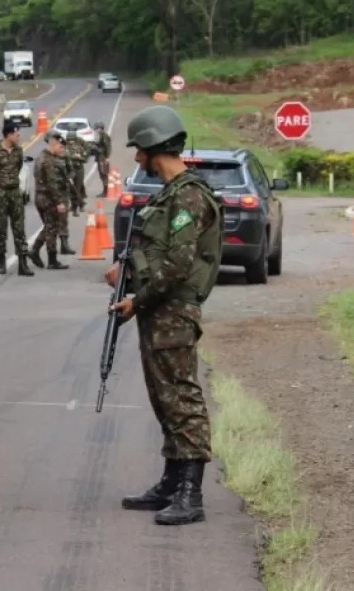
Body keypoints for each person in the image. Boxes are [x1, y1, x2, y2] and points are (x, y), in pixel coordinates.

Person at [105, 104, 224, 526]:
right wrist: (128, 272)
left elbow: (176, 266)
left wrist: (136, 300)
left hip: (172, 311)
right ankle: (173, 483)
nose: (137, 158)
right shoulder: (171, 195)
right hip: (160, 310)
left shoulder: (189, 196)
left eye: (140, 149)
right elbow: (159, 257)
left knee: (182, 398)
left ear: (156, 146)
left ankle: (191, 495)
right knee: (164, 398)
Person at [0, 120, 34, 276]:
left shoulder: (18, 151)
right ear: (9, 134)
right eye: (16, 134)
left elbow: (18, 166)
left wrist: (11, 182)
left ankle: (23, 264)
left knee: (19, 229)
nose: (19, 136)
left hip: (14, 193)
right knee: (0, 228)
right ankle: (1, 262)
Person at [29, 131, 71, 270]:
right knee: (52, 227)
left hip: (39, 197)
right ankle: (51, 260)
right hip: (48, 199)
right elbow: (52, 184)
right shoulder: (49, 161)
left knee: (49, 226)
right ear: (53, 143)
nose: (61, 149)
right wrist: (59, 202)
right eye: (60, 146)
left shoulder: (40, 157)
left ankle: (35, 250)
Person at [64, 130, 89, 216]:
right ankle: (75, 206)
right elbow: (63, 158)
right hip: (70, 170)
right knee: (71, 189)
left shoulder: (79, 148)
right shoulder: (64, 148)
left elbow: (85, 158)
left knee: (78, 187)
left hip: (79, 169)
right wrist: (74, 157)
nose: (71, 142)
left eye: (72, 140)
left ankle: (79, 205)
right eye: (69, 140)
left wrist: (79, 157)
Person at [94, 121, 112, 196]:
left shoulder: (104, 136)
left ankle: (105, 192)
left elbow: (107, 146)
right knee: (102, 174)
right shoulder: (100, 135)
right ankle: (105, 191)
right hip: (100, 157)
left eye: (96, 128)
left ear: (100, 128)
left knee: (104, 174)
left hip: (103, 157)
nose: (95, 130)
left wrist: (107, 157)